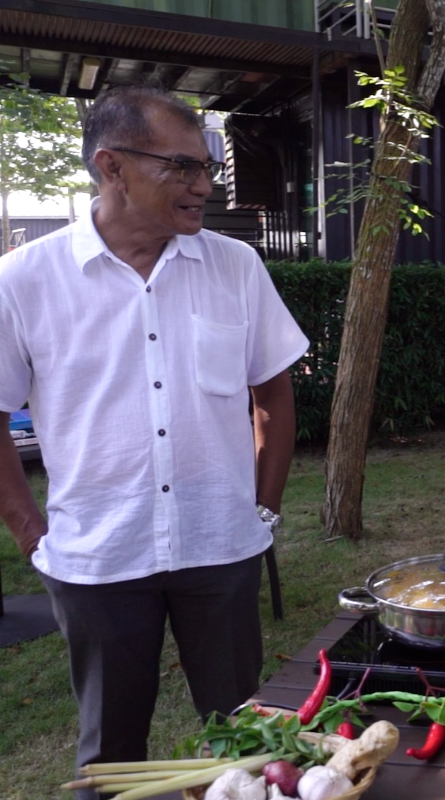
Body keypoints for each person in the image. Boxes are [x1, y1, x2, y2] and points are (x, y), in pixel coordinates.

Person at [0, 86, 309, 794]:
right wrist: (30, 533)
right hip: (96, 562)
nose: (205, 186)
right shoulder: (23, 282)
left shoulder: (236, 267)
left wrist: (261, 511)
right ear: (111, 167)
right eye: (183, 167)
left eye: (208, 168)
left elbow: (274, 394)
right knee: (111, 760)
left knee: (244, 743)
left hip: (223, 550)